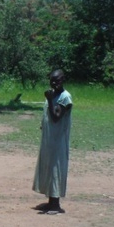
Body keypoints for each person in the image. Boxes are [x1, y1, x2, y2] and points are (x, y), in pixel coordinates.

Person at [32, 69, 73, 214]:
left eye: (57, 80)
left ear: (63, 80)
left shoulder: (65, 97)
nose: (54, 83)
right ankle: (50, 202)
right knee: (49, 167)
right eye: (52, 80)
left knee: (56, 168)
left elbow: (56, 116)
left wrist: (49, 100)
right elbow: (48, 115)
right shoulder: (53, 94)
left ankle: (56, 204)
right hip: (49, 138)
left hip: (59, 140)